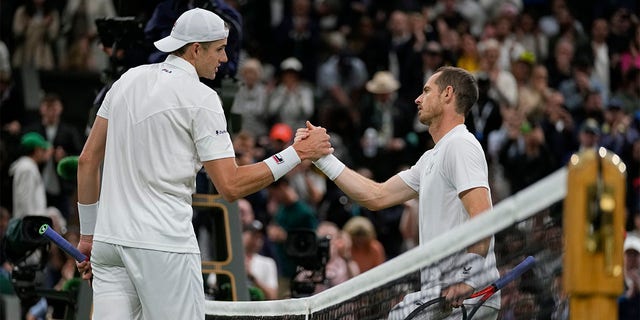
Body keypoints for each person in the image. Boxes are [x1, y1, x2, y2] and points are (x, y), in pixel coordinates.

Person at [75, 8, 331, 320]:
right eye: (220, 49)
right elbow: (231, 185)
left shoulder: (126, 80)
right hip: (162, 246)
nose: (225, 59)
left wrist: (88, 237)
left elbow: (87, 161)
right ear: (196, 49)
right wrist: (296, 153)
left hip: (108, 244)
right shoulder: (203, 98)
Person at [296, 66, 500, 319]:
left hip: (468, 297)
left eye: (426, 91)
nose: (417, 99)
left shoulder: (461, 145)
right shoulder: (431, 157)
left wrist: (468, 277)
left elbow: (482, 215)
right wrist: (323, 159)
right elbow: (377, 196)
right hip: (442, 296)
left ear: (448, 94)